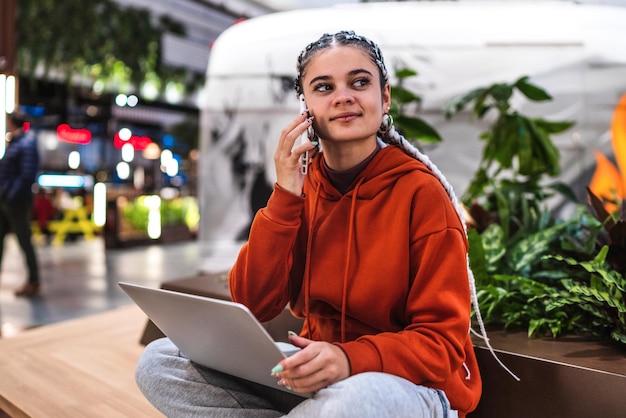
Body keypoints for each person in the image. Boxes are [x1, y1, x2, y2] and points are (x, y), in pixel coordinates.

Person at [136, 30, 482, 417]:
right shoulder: (303, 187)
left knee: (354, 403)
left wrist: (349, 360)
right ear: (305, 108)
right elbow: (253, 303)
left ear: (384, 98)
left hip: (406, 387)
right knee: (160, 362)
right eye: (323, 86)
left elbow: (443, 345)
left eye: (360, 82)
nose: (344, 96)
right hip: (317, 373)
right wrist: (285, 197)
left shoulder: (423, 194)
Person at [0, 113, 41, 297]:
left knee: (24, 239)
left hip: (16, 201)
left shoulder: (26, 143)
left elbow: (26, 176)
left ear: (12, 122)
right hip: (6, 199)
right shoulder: (16, 142)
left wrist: (10, 195)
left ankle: (34, 280)